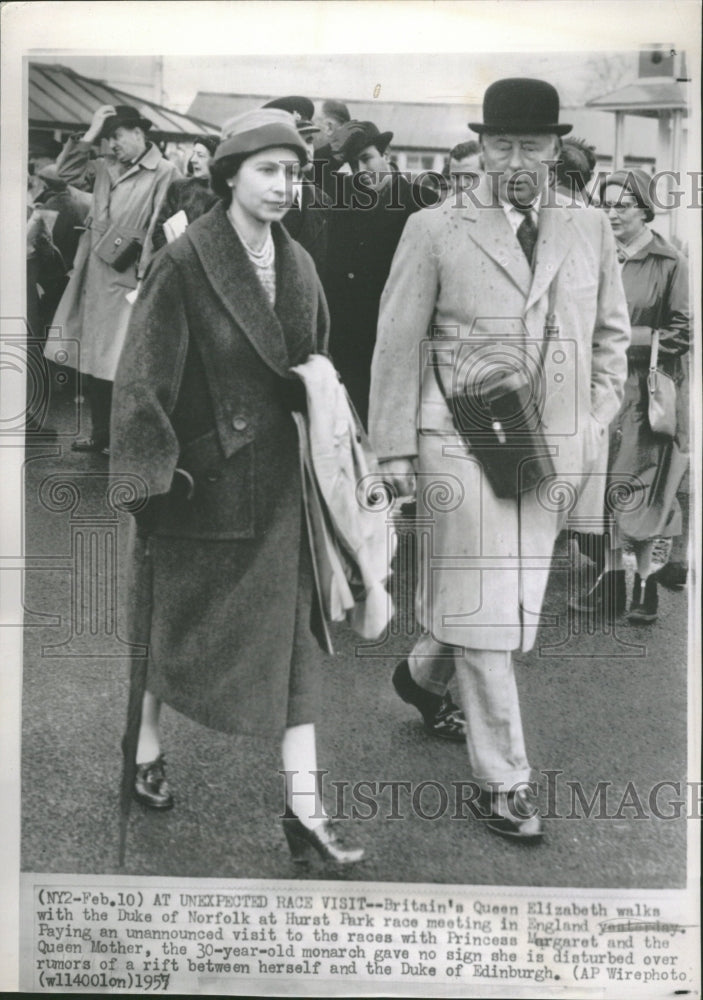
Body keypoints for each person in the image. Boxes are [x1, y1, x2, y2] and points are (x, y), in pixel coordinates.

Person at [369, 78, 630, 841]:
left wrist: (594, 417)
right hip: (462, 440)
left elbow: (610, 334)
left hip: (552, 449)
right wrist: (391, 450)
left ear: (556, 149)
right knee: (488, 611)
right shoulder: (433, 227)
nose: (517, 159)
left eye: (533, 144)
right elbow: (394, 344)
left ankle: (421, 675)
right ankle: (504, 780)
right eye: (502, 143)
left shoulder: (589, 227)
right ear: (481, 147)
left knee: (506, 598)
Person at [110, 108, 363, 867]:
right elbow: (141, 379)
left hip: (279, 489)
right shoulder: (183, 262)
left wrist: (312, 395)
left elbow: (315, 355)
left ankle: (305, 812)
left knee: (291, 651)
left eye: (293, 172)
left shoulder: (300, 266)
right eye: (269, 171)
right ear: (229, 176)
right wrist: (150, 479)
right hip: (196, 489)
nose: (286, 186)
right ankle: (145, 748)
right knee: (169, 633)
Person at [575, 169, 690, 623]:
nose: (613, 211)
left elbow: (684, 331)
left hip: (644, 394)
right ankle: (608, 581)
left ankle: (645, 586)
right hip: (599, 391)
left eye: (623, 204)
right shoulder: (595, 256)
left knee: (640, 489)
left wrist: (621, 340)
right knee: (598, 486)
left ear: (645, 209)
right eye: (607, 203)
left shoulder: (670, 261)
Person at [44, 104, 177, 455]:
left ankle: (124, 435)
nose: (112, 144)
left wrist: (145, 275)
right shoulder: (104, 167)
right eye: (108, 138)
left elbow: (157, 226)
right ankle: (99, 432)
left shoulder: (164, 171)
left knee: (122, 362)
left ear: (139, 132)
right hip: (93, 273)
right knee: (92, 358)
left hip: (128, 275)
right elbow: (66, 171)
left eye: (117, 136)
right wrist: (89, 134)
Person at [318, 120, 438, 424]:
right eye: (353, 165)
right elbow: (318, 167)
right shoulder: (341, 197)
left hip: (404, 333)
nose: (362, 172)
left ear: (387, 154)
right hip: (352, 339)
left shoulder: (422, 199)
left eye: (368, 158)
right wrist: (336, 148)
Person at [151, 135, 218, 250]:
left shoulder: (226, 195)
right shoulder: (179, 187)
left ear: (215, 160)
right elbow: (158, 231)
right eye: (193, 153)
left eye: (200, 156)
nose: (193, 159)